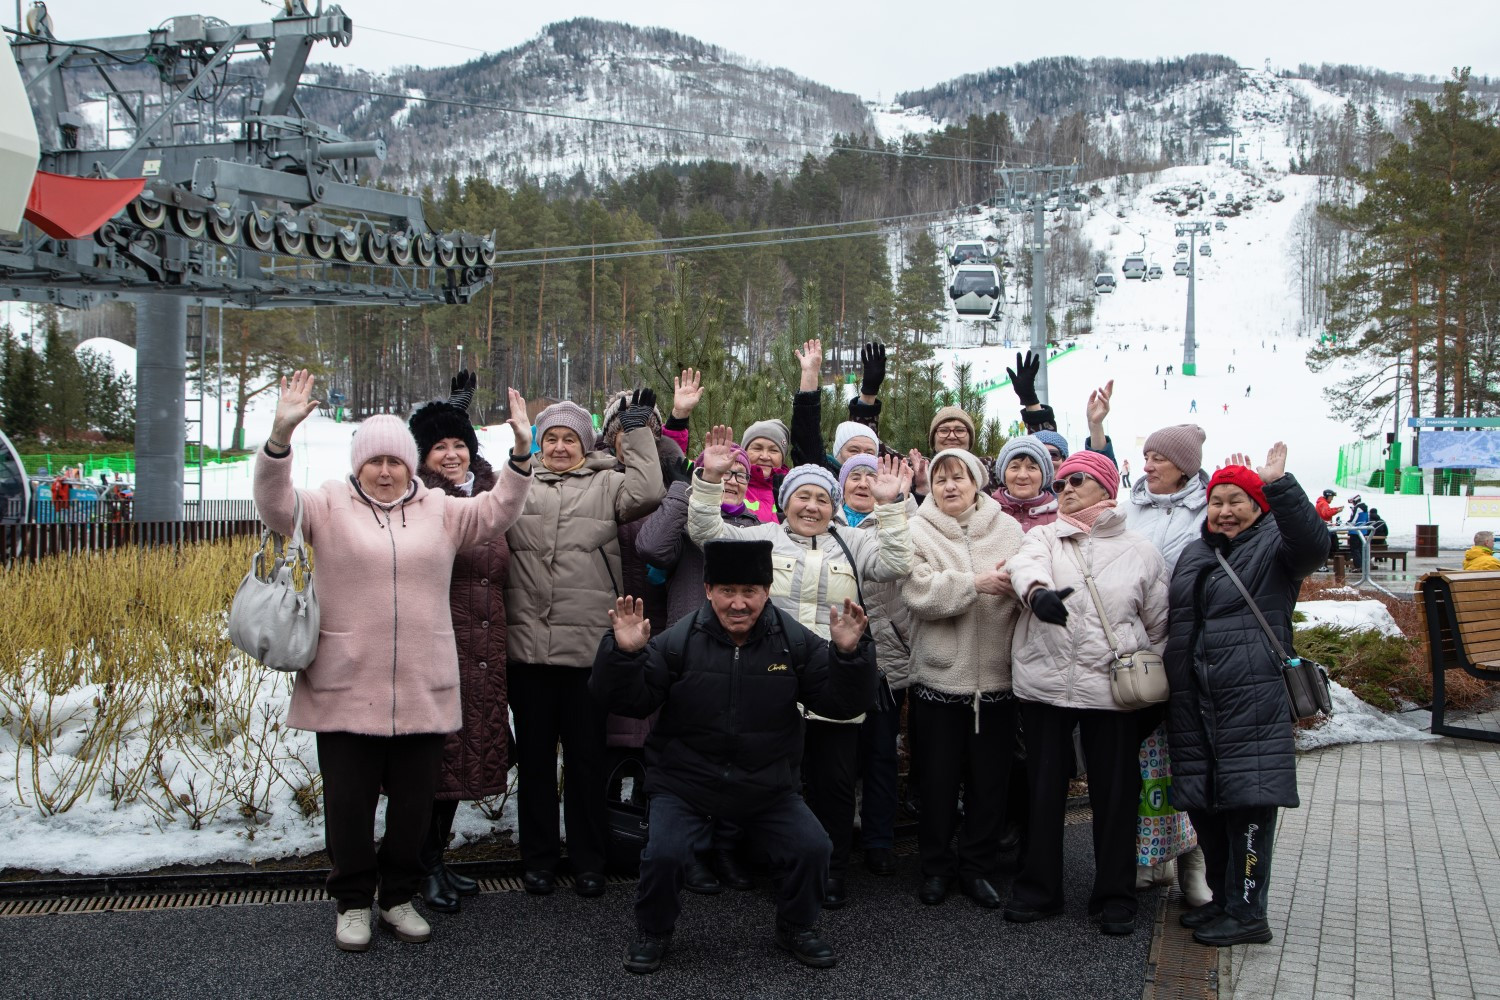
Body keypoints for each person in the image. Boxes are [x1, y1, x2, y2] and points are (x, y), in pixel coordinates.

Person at [254, 371, 533, 952]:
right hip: (343, 684)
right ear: (358, 466)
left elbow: (499, 511)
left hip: (423, 685)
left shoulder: (440, 509)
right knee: (349, 808)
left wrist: (522, 455)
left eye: (396, 461)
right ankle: (353, 901)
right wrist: (279, 439)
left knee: (412, 809)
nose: (385, 471)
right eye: (374, 461)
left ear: (412, 466)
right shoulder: (329, 505)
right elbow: (277, 508)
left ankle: (398, 896)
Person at [591, 540, 877, 973]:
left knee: (814, 847)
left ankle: (796, 926)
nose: (738, 603)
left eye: (750, 591)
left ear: (767, 590)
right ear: (708, 589)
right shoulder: (679, 640)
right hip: (685, 781)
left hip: (767, 782)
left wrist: (848, 657)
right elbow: (630, 701)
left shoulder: (794, 641)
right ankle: (654, 931)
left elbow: (840, 704)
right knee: (664, 854)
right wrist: (625, 656)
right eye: (727, 590)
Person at [688, 428, 912, 908]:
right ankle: (776, 865)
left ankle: (830, 872)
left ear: (834, 507)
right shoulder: (762, 538)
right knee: (772, 783)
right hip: (771, 685)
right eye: (802, 498)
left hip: (834, 684)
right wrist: (708, 480)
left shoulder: (852, 542)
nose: (812, 507)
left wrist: (890, 507)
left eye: (822, 500)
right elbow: (707, 534)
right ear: (785, 502)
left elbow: (896, 561)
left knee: (832, 787)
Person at [1163, 444, 1329, 947]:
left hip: (1250, 700)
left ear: (1258, 506)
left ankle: (1249, 912)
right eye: (1217, 501)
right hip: (1193, 700)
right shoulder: (1197, 552)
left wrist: (1280, 485)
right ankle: (1223, 898)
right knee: (1205, 804)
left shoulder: (1276, 546)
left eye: (1237, 501)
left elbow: (1315, 545)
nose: (1225, 511)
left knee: (1248, 804)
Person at [505, 393, 665, 900]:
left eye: (568, 438)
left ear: (584, 443)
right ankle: (538, 860)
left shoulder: (607, 482)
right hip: (527, 650)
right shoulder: (519, 484)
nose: (557, 446)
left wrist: (636, 430)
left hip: (585, 654)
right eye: (549, 437)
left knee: (586, 760)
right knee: (533, 762)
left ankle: (589, 859)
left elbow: (649, 489)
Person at [1004, 450, 1169, 936]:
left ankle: (1115, 895)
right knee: (1043, 792)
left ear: (1106, 487)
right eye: (1060, 484)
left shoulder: (1141, 550)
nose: (1066, 489)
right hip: (1045, 687)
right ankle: (1039, 890)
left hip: (1111, 692)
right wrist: (1038, 595)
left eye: (1077, 479)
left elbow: (1160, 626)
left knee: (1117, 797)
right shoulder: (1043, 537)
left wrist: (1148, 692)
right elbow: (1024, 568)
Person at [634, 440, 764, 892]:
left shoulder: (758, 527)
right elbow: (649, 546)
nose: (732, 479)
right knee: (687, 755)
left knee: (737, 753)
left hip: (744, 655)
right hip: (688, 653)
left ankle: (724, 849)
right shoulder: (691, 518)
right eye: (724, 472)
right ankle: (687, 852)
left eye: (740, 475)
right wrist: (686, 487)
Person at [408, 384, 517, 915]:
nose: (452, 455)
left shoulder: (493, 493)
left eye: (460, 444)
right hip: (438, 646)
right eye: (438, 447)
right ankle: (416, 866)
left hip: (484, 648)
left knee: (460, 766)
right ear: (421, 457)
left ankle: (435, 859)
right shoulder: (415, 500)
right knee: (430, 765)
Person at [901, 448, 1024, 909]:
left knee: (989, 783)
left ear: (977, 481)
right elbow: (916, 591)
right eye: (940, 478)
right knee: (935, 782)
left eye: (959, 477)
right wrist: (975, 583)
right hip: (938, 680)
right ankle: (935, 867)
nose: (950, 486)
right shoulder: (916, 529)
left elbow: (1026, 581)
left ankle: (977, 867)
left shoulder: (1009, 530)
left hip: (996, 680)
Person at [1121, 424, 1212, 903]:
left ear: (1185, 466)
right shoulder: (1129, 505)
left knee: (1186, 758)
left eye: (1158, 457)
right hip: (1134, 653)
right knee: (1144, 760)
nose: (1148, 465)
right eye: (1146, 455)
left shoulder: (1207, 510)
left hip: (1188, 652)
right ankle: (1149, 856)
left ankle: (1193, 860)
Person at [836, 454, 914, 878]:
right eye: (854, 476)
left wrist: (895, 505)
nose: (863, 483)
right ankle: (838, 834)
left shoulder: (902, 516)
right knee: (837, 753)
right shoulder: (822, 519)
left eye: (871, 474)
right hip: (838, 656)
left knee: (881, 752)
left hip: (887, 656)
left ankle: (879, 839)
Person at [992, 435, 1058, 531]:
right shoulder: (987, 511)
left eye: (1032, 468)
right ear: (1004, 474)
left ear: (1043, 475)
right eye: (1014, 467)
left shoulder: (1060, 517)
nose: (1022, 475)